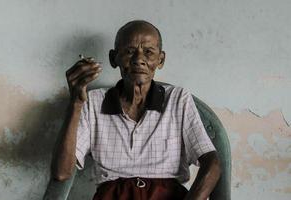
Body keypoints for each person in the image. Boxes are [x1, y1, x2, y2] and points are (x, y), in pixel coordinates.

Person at [51, 20, 221, 200]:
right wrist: (76, 103)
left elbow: (212, 163)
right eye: (129, 51)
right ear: (113, 58)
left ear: (160, 60)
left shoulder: (177, 99)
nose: (139, 59)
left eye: (148, 52)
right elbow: (61, 172)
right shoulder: (93, 102)